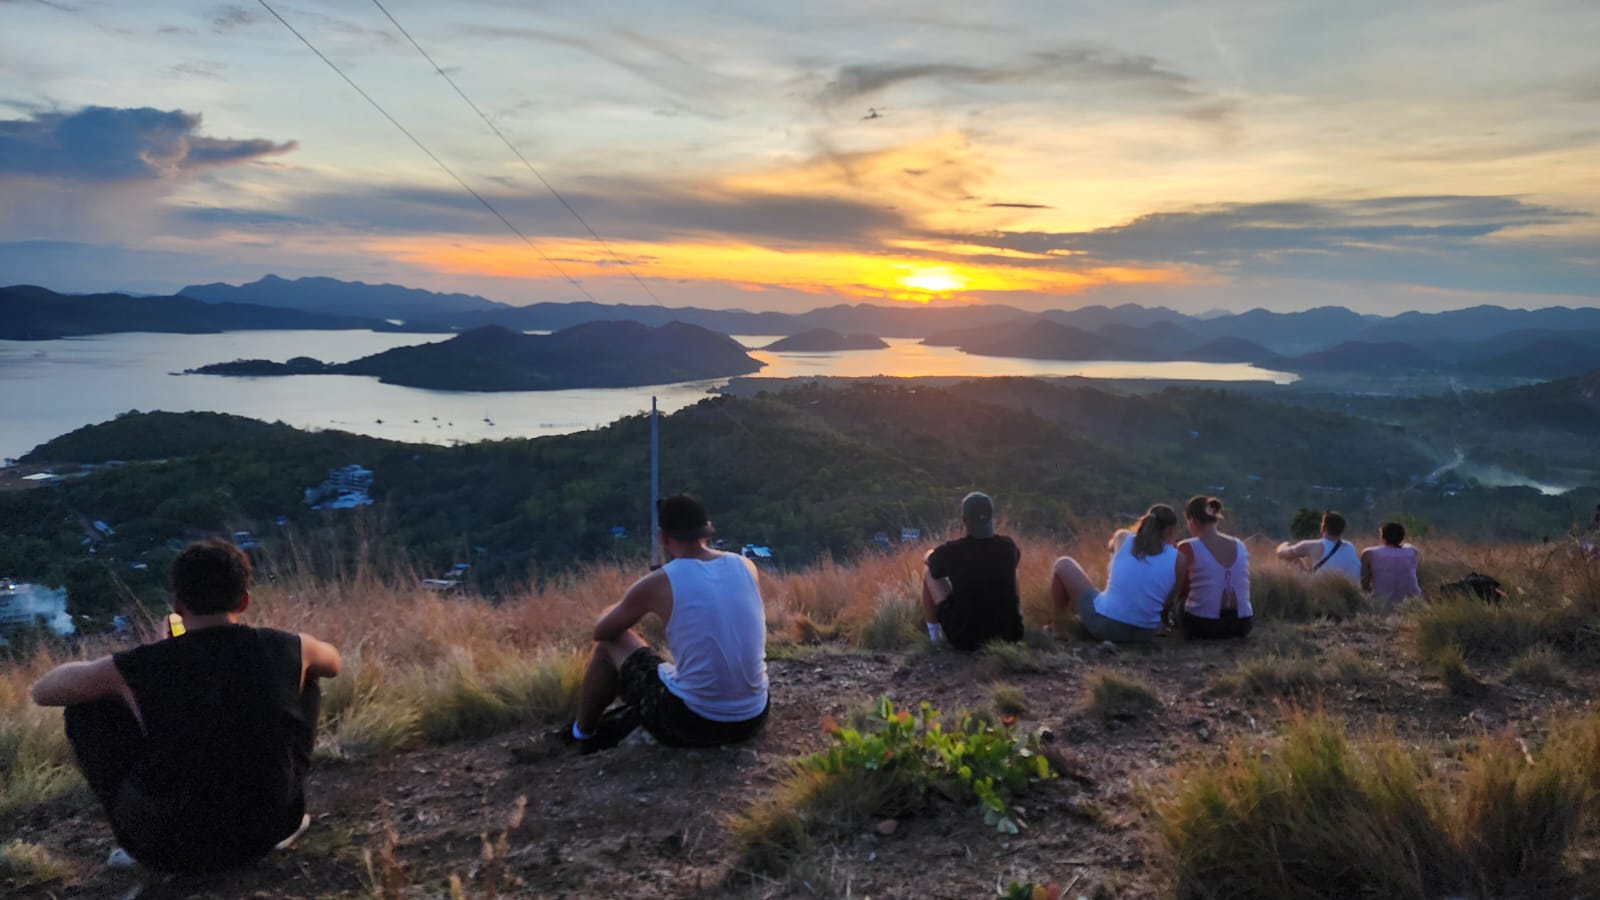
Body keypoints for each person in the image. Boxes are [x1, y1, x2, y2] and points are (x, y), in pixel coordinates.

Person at [29, 539, 341, 874]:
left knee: (84, 709)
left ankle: (137, 838)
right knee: (306, 676)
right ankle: (282, 802)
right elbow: (333, 662)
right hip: (270, 829)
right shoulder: (287, 647)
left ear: (178, 604)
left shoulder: (141, 666)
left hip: (169, 849)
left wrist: (147, 660)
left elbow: (43, 691)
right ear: (245, 600)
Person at [525, 494, 768, 756]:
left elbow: (603, 631)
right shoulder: (745, 565)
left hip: (694, 723)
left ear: (664, 538)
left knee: (612, 643)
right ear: (707, 530)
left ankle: (580, 733)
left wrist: (611, 609)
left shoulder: (662, 580)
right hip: (754, 715)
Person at [1050, 504, 1180, 644]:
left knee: (1063, 563)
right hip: (1145, 634)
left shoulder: (1122, 537)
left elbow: (1111, 549)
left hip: (1106, 627)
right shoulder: (1179, 559)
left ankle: (1059, 627)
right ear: (1170, 530)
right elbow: (1168, 600)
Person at [921, 491, 1024, 650]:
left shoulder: (953, 551)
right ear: (991, 517)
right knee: (1013, 570)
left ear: (964, 520)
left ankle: (935, 638)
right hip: (1010, 635)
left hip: (965, 638)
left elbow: (930, 562)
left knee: (929, 574)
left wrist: (930, 553)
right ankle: (1016, 614)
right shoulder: (1008, 547)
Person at [1174, 495, 1253, 639]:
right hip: (1243, 624)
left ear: (1193, 520)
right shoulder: (1240, 545)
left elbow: (1182, 587)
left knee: (1180, 602)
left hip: (1204, 625)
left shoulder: (1187, 546)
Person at [1276, 510, 1360, 582]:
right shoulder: (1350, 546)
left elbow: (1281, 553)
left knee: (1295, 559)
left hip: (1323, 591)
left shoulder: (1312, 546)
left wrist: (1283, 545)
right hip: (1351, 592)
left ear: (1323, 527)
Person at [1361, 521, 1422, 608]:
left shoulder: (1369, 553)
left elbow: (1364, 584)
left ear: (1382, 536)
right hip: (1413, 601)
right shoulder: (1412, 551)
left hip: (1382, 603)